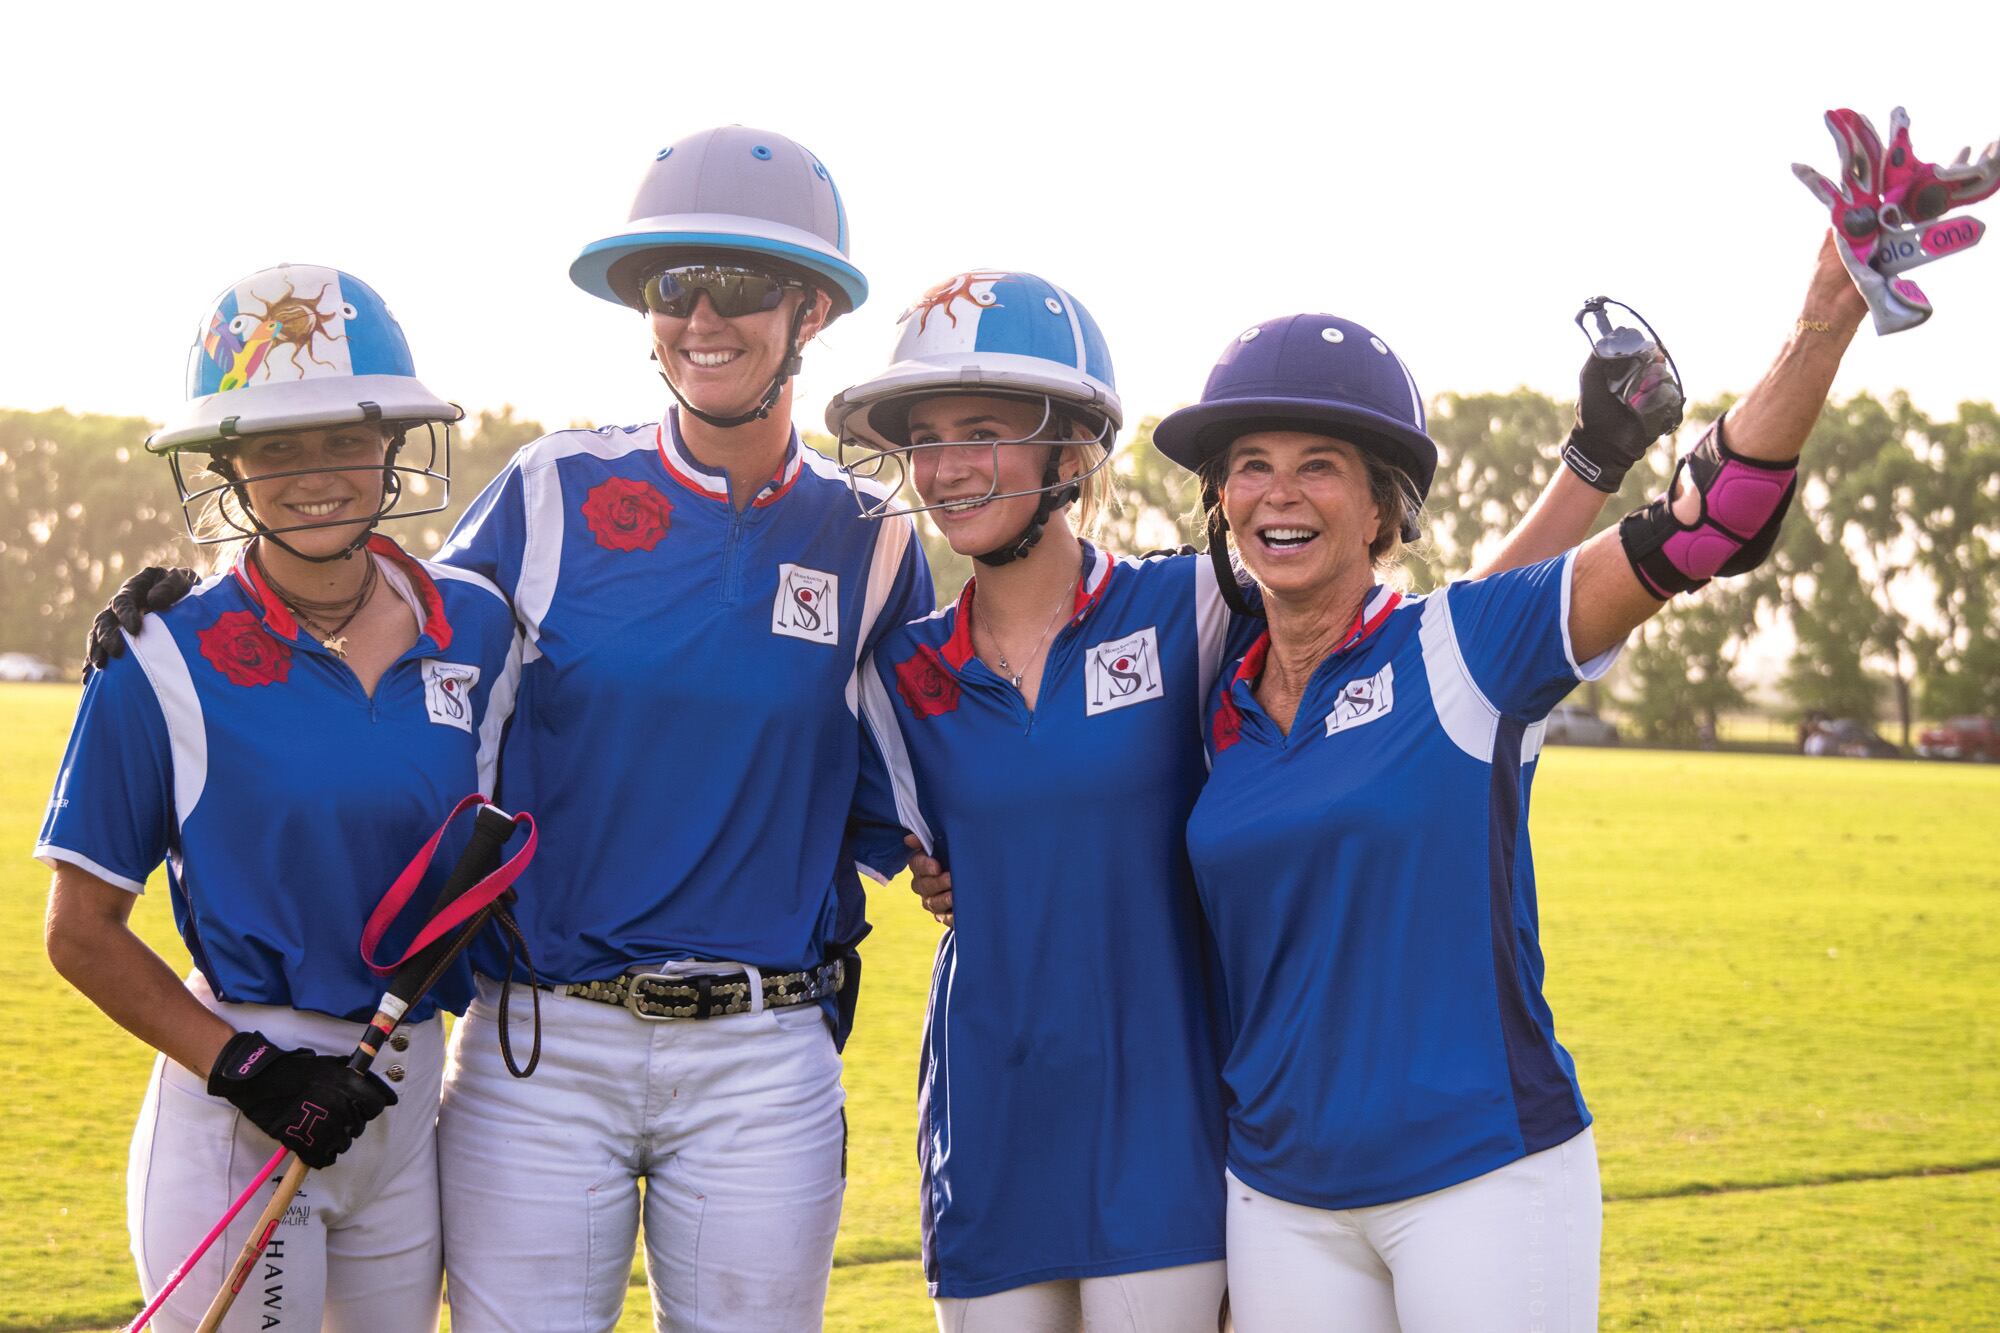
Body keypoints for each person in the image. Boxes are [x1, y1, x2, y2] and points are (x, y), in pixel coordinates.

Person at [836, 269, 1682, 1331]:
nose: (950, 466)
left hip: (1170, 1142)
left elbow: (1436, 656)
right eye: (927, 437)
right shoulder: (884, 678)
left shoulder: (1187, 607)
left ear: (1070, 451)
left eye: (984, 431)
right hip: (988, 1135)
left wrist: (1588, 468)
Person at [1150, 232, 1870, 1332]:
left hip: (1479, 1178)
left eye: (1318, 464)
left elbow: (1698, 521)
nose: (1276, 493)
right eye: (1250, 462)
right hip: (1279, 1195)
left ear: (1383, 509)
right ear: (1219, 500)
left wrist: (1827, 306)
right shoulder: (1218, 707)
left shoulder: (1461, 654)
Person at [429, 126, 931, 1331]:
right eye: (671, 286)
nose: (702, 317)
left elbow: (936, 769)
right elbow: (397, 667)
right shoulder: (548, 491)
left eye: (743, 285)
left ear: (811, 310)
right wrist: (199, 608)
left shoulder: (874, 543)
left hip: (760, 1060)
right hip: (540, 1046)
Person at [38, 263, 522, 1331]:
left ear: (391, 446)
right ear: (230, 466)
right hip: (244, 1114)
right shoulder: (158, 656)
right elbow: (79, 933)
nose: (316, 474)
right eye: (275, 446)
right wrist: (249, 1071)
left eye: (345, 438)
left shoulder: (480, 627)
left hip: (404, 1102)